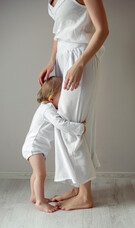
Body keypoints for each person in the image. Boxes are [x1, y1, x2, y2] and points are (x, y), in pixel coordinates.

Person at [38, 0, 109, 211]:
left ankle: (85, 196)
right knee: (67, 124)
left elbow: (103, 30)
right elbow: (59, 32)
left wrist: (80, 64)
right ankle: (78, 187)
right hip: (62, 60)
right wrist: (51, 61)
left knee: (72, 125)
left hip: (80, 58)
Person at [22, 76, 86, 213]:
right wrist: (80, 128)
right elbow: (60, 124)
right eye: (63, 97)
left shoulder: (46, 107)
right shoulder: (48, 109)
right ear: (51, 98)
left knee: (35, 174)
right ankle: (39, 202)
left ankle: (34, 196)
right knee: (40, 175)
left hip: (34, 146)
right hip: (34, 147)